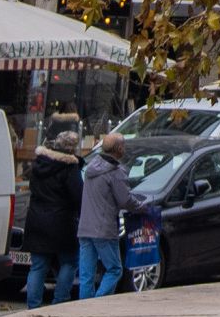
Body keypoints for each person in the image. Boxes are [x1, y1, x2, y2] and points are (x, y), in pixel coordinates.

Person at [76, 131, 143, 303]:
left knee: (86, 274)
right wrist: (142, 207)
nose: (124, 149)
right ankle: (97, 303)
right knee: (114, 269)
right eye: (124, 146)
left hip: (85, 228)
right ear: (119, 148)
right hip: (104, 229)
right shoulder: (115, 172)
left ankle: (83, 307)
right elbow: (125, 200)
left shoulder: (91, 167)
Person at [24, 124, 84, 307]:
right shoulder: (69, 168)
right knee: (70, 261)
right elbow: (78, 196)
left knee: (38, 265)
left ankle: (32, 305)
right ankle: (60, 300)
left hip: (36, 220)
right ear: (72, 148)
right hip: (61, 222)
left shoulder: (39, 163)